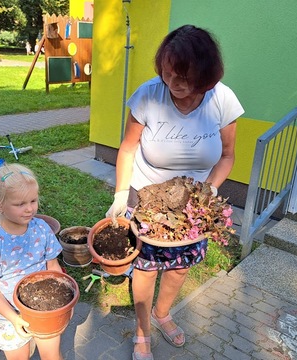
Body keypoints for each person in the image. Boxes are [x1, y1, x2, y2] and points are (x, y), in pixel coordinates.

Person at [105, 25, 244, 360]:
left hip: (193, 205)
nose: (173, 84)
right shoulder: (148, 95)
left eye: (183, 77)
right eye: (167, 73)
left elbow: (227, 156)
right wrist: (121, 194)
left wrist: (209, 190)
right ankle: (142, 331)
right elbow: (127, 149)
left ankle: (162, 313)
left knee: (180, 267)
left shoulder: (222, 100)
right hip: (148, 200)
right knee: (146, 268)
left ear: (205, 76)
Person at [0, 164, 64, 360]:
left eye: (33, 200)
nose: (29, 209)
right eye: (20, 204)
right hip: (8, 315)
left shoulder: (41, 228)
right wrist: (14, 318)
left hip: (46, 309)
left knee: (53, 356)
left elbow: (53, 266)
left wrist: (63, 301)